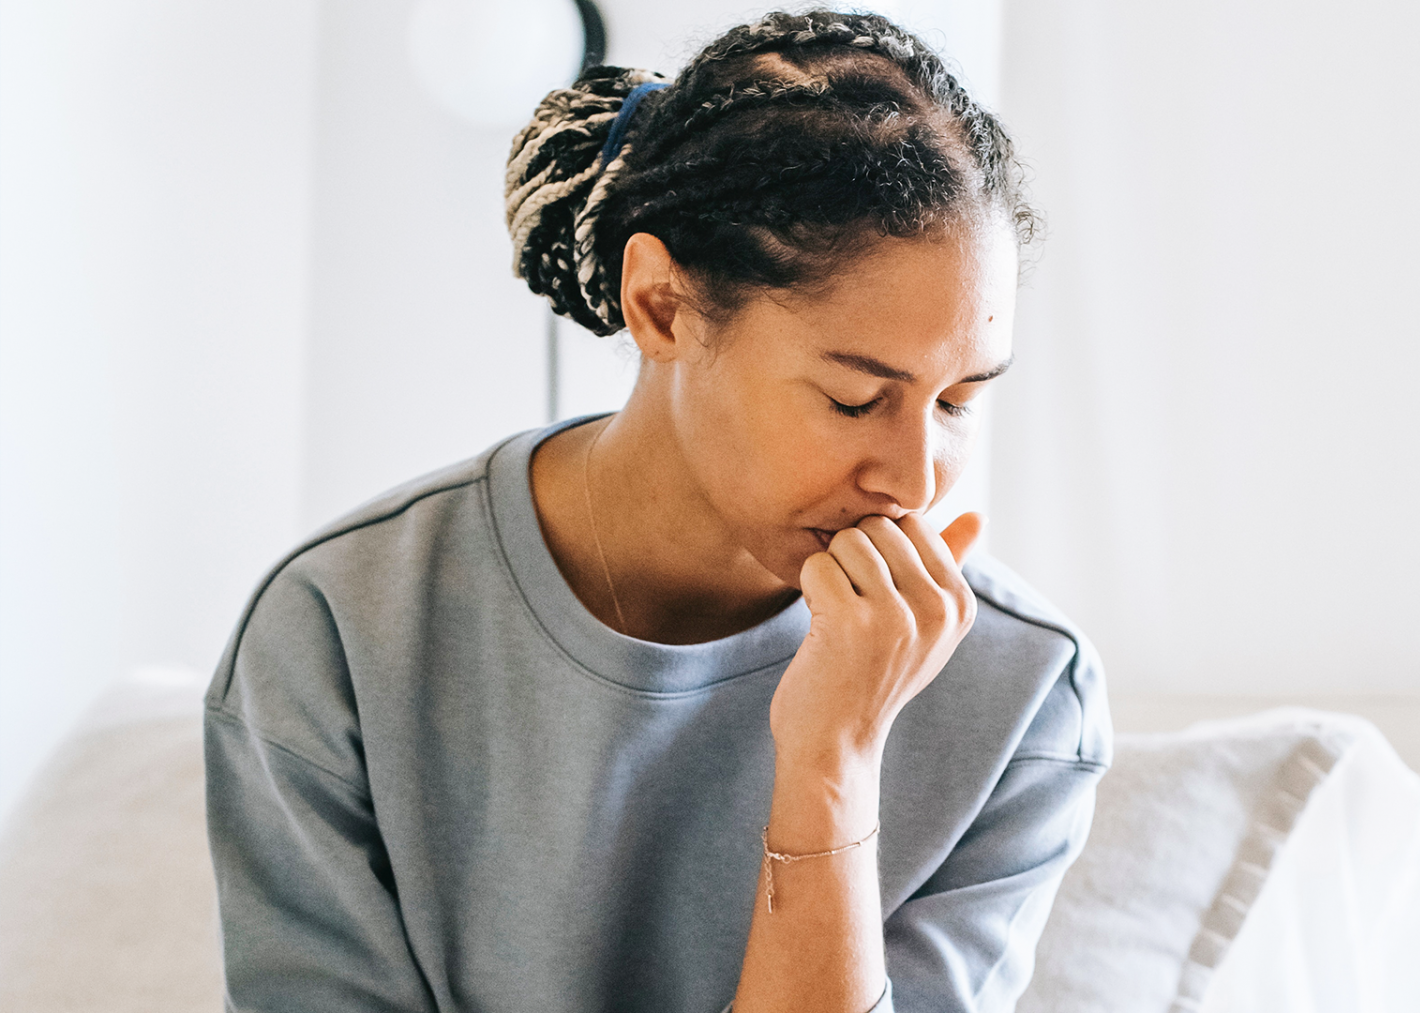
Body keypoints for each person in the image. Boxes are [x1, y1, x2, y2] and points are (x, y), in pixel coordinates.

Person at [203, 10, 1110, 1013]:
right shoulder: (344, 630)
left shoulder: (1022, 695)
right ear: (660, 306)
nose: (916, 482)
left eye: (958, 403)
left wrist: (833, 764)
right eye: (856, 398)